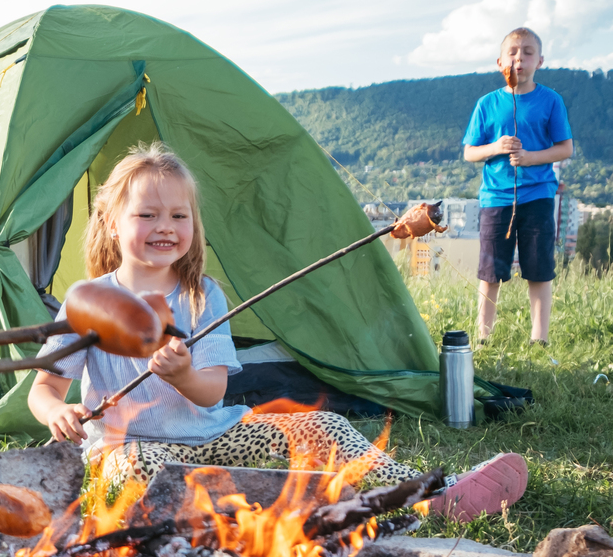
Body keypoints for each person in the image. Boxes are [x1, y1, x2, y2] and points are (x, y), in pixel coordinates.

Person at [29, 142, 528, 521]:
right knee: (143, 468)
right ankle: (267, 509)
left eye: (179, 215)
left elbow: (214, 393)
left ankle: (430, 495)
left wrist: (183, 376)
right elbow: (44, 388)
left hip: (213, 434)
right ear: (113, 223)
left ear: (194, 225)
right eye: (147, 214)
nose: (166, 226)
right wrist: (58, 411)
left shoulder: (203, 296)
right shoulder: (90, 301)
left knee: (324, 426)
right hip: (126, 447)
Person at [463, 27, 573, 345]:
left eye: (527, 52)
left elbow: (565, 148)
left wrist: (530, 157)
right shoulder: (487, 103)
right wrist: (496, 147)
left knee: (539, 270)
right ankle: (483, 338)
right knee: (490, 271)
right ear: (500, 62)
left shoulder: (551, 101)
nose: (519, 59)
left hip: (538, 195)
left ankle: (539, 341)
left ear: (540, 61)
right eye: (512, 52)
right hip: (495, 198)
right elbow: (470, 152)